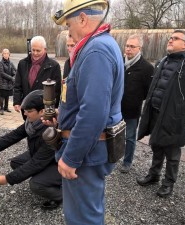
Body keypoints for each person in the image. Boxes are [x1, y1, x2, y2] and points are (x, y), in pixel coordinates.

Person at [51, 0, 124, 224]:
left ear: (83, 19)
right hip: (92, 149)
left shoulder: (96, 50)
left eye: (69, 25)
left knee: (82, 218)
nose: (68, 32)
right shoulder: (100, 44)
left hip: (85, 153)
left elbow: (93, 113)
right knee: (89, 210)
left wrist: (71, 158)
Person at [136, 30, 185, 197]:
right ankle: (154, 175)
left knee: (172, 152)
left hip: (174, 118)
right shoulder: (162, 61)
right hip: (156, 113)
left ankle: (168, 183)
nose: (170, 40)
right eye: (170, 38)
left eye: (175, 38)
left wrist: (181, 109)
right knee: (156, 145)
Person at [0, 90, 62, 210]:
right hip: (42, 157)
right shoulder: (32, 123)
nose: (25, 114)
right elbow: (13, 136)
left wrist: (6, 179)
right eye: (25, 110)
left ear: (42, 111)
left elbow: (36, 163)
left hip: (59, 164)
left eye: (29, 111)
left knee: (36, 184)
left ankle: (62, 194)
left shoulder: (51, 132)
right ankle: (45, 178)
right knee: (15, 163)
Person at [119, 34, 154, 173]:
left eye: (132, 46)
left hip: (132, 110)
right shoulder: (119, 62)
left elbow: (148, 91)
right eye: (127, 45)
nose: (128, 49)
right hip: (116, 107)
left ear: (139, 48)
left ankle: (127, 162)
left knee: (130, 137)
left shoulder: (146, 68)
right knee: (113, 134)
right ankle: (113, 156)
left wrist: (135, 98)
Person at [13, 36, 62, 120]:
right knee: (28, 130)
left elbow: (56, 91)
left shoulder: (54, 66)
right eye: (33, 50)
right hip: (27, 109)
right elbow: (17, 84)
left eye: (38, 50)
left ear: (45, 49)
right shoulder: (22, 64)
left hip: (43, 111)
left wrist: (51, 110)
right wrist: (17, 101)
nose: (35, 53)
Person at [0, 49, 17, 115]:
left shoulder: (11, 63)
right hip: (2, 82)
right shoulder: (0, 62)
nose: (6, 55)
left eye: (7, 53)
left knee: (7, 95)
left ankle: (6, 107)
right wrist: (11, 78)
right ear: (2, 54)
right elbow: (2, 73)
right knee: (2, 95)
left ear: (9, 54)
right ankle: (1, 108)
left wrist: (14, 75)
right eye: (4, 53)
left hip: (9, 82)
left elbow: (15, 71)